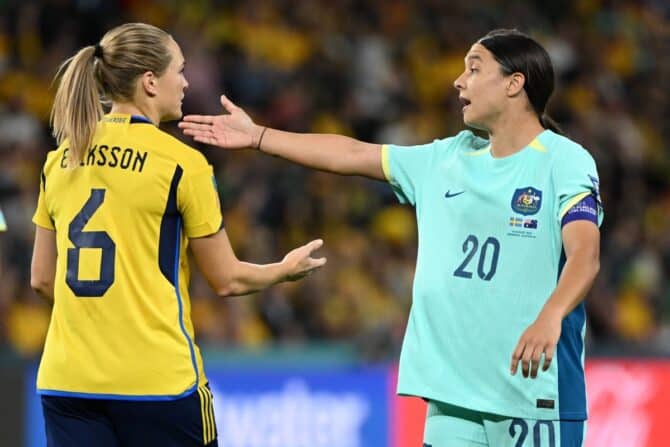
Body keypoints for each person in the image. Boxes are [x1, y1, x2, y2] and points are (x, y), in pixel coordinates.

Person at [180, 29, 603, 447]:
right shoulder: (446, 159)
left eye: (474, 69)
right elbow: (351, 153)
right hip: (452, 397)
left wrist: (551, 315)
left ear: (515, 84)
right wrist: (258, 136)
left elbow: (584, 255)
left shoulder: (563, 160)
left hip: (532, 394)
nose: (459, 81)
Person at [30, 22, 325, 447]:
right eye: (180, 70)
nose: (186, 82)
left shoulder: (59, 160)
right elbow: (227, 280)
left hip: (67, 381)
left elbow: (42, 279)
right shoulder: (180, 164)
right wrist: (284, 270)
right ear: (150, 81)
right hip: (157, 382)